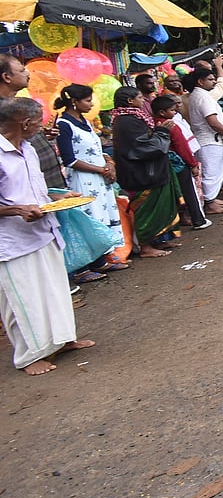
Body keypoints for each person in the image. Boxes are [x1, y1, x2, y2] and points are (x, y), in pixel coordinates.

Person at [0, 97, 96, 375]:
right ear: (25, 122)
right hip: (13, 242)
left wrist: (59, 196)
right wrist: (16, 210)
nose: (43, 126)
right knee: (22, 299)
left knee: (54, 291)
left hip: (43, 230)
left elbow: (35, 190)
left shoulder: (27, 149)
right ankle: (29, 356)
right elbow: (16, 201)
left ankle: (63, 339)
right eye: (39, 121)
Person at [53, 84, 125, 281]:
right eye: (87, 100)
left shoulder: (84, 121)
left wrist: (108, 163)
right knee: (88, 219)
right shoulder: (64, 125)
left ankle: (100, 259)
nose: (91, 104)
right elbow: (70, 160)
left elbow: (95, 148)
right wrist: (101, 169)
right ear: (74, 102)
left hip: (99, 178)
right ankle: (84, 265)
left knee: (101, 215)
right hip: (83, 179)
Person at [110, 87, 182, 257]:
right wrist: (162, 131)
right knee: (146, 210)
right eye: (140, 98)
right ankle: (146, 246)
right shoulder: (126, 121)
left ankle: (159, 239)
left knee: (159, 207)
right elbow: (145, 147)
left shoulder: (134, 117)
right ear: (130, 101)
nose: (143, 101)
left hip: (150, 171)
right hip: (141, 173)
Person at [0, 54, 67, 191]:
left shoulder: (18, 105)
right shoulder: (5, 111)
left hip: (44, 182)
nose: (28, 72)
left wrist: (38, 132)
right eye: (22, 70)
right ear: (7, 77)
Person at [155, 95, 210, 230]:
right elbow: (182, 146)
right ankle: (198, 220)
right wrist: (192, 164)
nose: (175, 112)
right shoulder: (171, 125)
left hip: (164, 165)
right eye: (172, 110)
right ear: (162, 112)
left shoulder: (153, 123)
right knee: (189, 192)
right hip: (179, 163)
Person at [186, 68, 223, 214]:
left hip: (209, 140)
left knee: (214, 170)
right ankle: (209, 202)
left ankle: (211, 199)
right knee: (210, 172)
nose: (214, 82)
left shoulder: (199, 95)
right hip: (209, 140)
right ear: (200, 81)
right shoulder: (202, 97)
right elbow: (212, 121)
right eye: (211, 79)